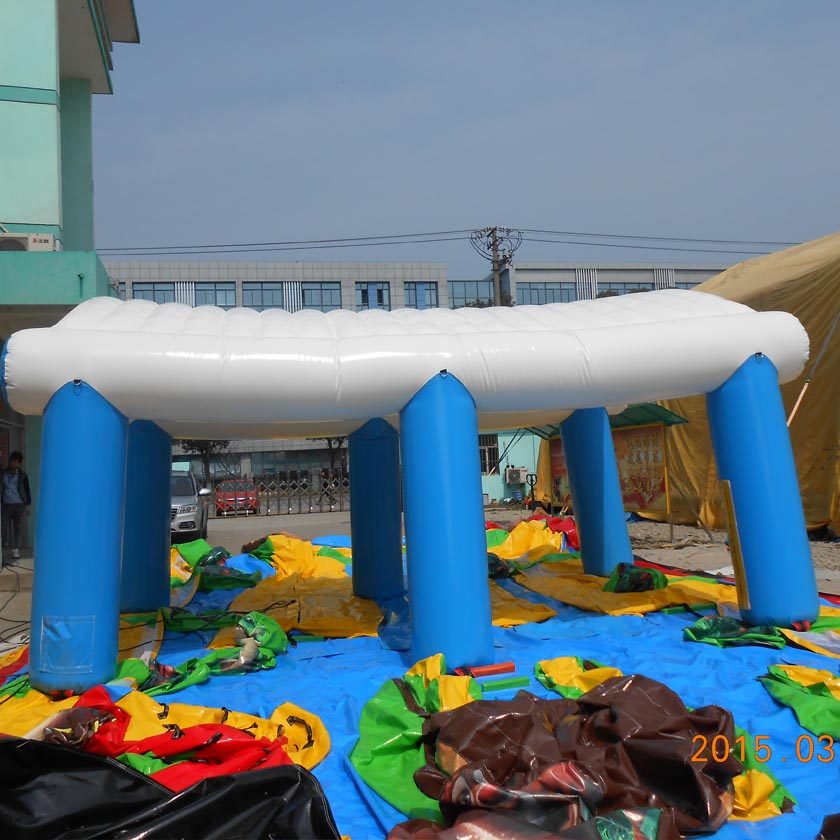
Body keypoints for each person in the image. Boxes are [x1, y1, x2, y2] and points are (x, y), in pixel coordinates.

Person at [1, 451, 31, 560]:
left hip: (19, 504)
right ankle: (2, 545)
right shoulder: (3, 473)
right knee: (2, 525)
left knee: (17, 527)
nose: (14, 463)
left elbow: (27, 490)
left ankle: (16, 550)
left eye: (17, 462)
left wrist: (28, 505)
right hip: (7, 504)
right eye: (13, 461)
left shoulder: (23, 475)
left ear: (20, 463)